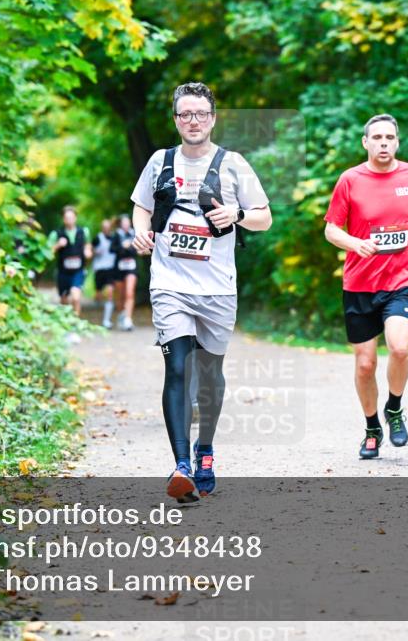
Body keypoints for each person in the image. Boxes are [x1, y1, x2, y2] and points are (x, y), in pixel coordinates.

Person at [130, 82, 272, 501]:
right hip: (169, 283)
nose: (193, 121)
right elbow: (141, 206)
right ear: (176, 120)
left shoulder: (234, 165)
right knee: (178, 368)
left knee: (209, 375)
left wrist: (238, 213)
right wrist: (142, 232)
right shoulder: (160, 161)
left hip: (217, 289)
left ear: (213, 118)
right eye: (185, 115)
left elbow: (264, 218)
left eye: (201, 114)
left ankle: (204, 448)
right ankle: (181, 465)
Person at [323, 113, 408, 460]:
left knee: (400, 348)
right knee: (365, 365)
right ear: (365, 142)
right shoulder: (350, 179)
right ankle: (372, 428)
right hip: (359, 283)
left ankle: (395, 409)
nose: (384, 143)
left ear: (397, 142)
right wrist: (354, 243)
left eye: (389, 138)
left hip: (401, 279)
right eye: (377, 138)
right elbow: (331, 230)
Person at [52, 205, 92, 318]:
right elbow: (47, 252)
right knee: (64, 300)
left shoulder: (84, 232)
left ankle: (76, 325)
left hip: (78, 270)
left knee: (76, 297)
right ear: (63, 219)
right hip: (63, 271)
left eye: (71, 217)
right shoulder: (56, 233)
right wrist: (58, 245)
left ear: (75, 218)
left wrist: (88, 251)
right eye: (66, 217)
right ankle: (66, 325)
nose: (69, 220)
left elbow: (88, 246)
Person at [112, 214, 139, 331]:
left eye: (127, 223)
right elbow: (112, 249)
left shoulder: (135, 234)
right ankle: (122, 315)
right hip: (119, 268)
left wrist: (131, 247)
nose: (126, 225)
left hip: (131, 267)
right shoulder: (117, 235)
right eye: (124, 223)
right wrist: (122, 247)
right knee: (121, 295)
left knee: (129, 292)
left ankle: (128, 319)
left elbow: (139, 249)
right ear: (121, 224)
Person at [92, 218, 118, 329]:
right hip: (99, 269)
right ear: (102, 228)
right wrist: (95, 251)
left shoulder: (114, 238)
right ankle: (99, 305)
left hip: (110, 269)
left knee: (110, 292)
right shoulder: (97, 238)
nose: (106, 229)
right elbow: (90, 250)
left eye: (108, 227)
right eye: (104, 227)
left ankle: (106, 320)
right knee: (98, 295)